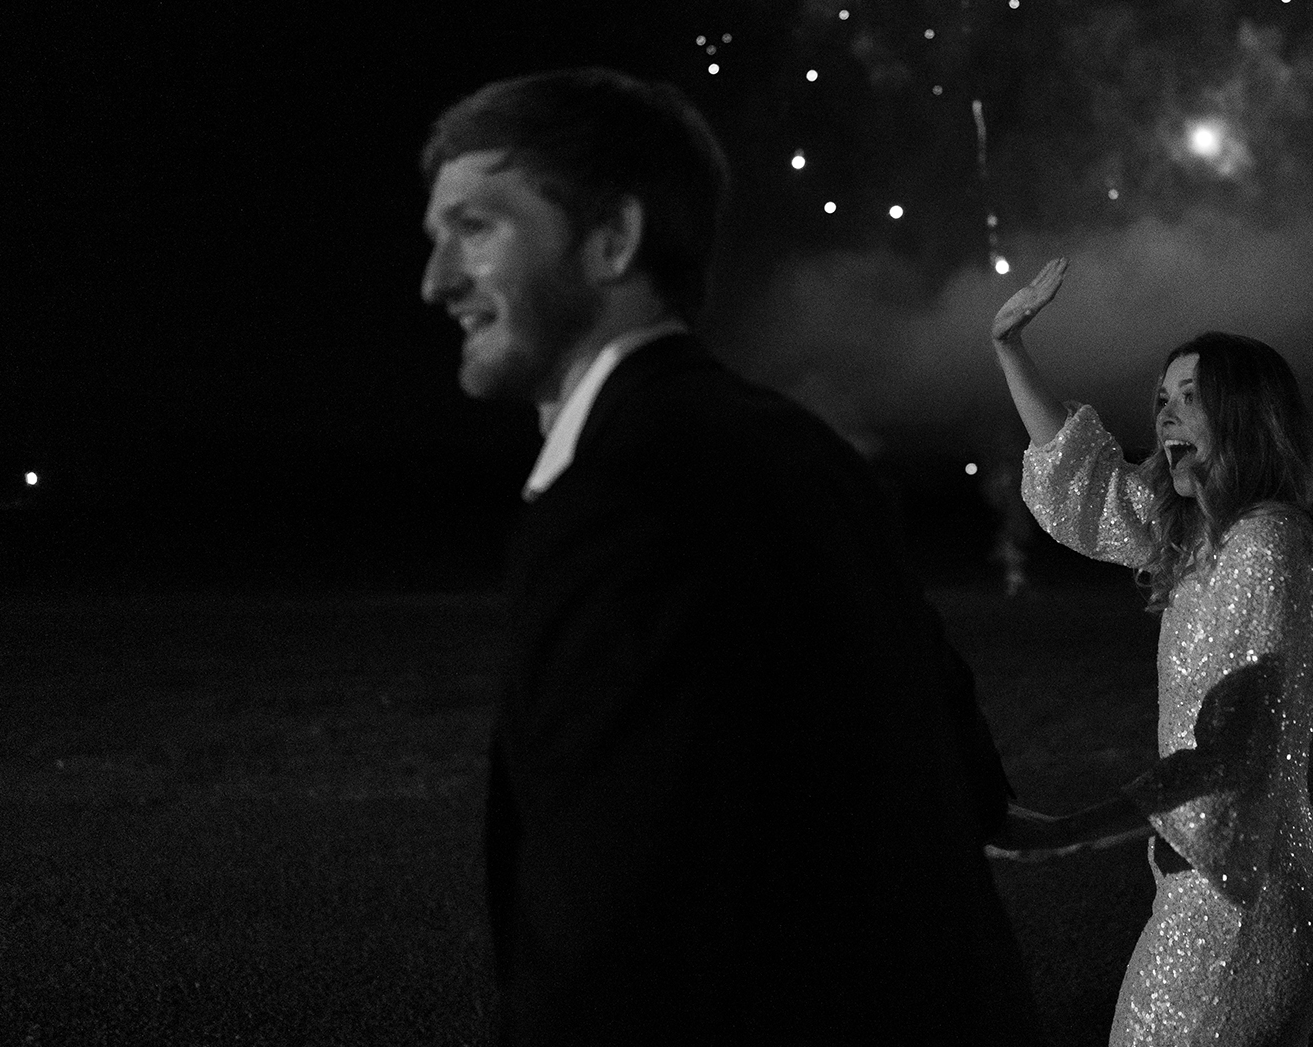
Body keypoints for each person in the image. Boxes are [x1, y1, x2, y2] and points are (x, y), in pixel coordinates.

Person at [418, 67, 1040, 1044]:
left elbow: (613, 923)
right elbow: (936, 725)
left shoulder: (619, 496)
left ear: (612, 239)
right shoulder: (797, 446)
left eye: (475, 227)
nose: (436, 279)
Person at [987, 258, 1313, 1047]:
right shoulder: (1203, 540)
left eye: (1192, 400)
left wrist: (1065, 830)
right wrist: (1010, 348)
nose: (1166, 415)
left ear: (1248, 417)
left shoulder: (1267, 546)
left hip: (1243, 909)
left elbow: (1233, 752)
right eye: (1161, 399)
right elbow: (1090, 489)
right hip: (1219, 895)